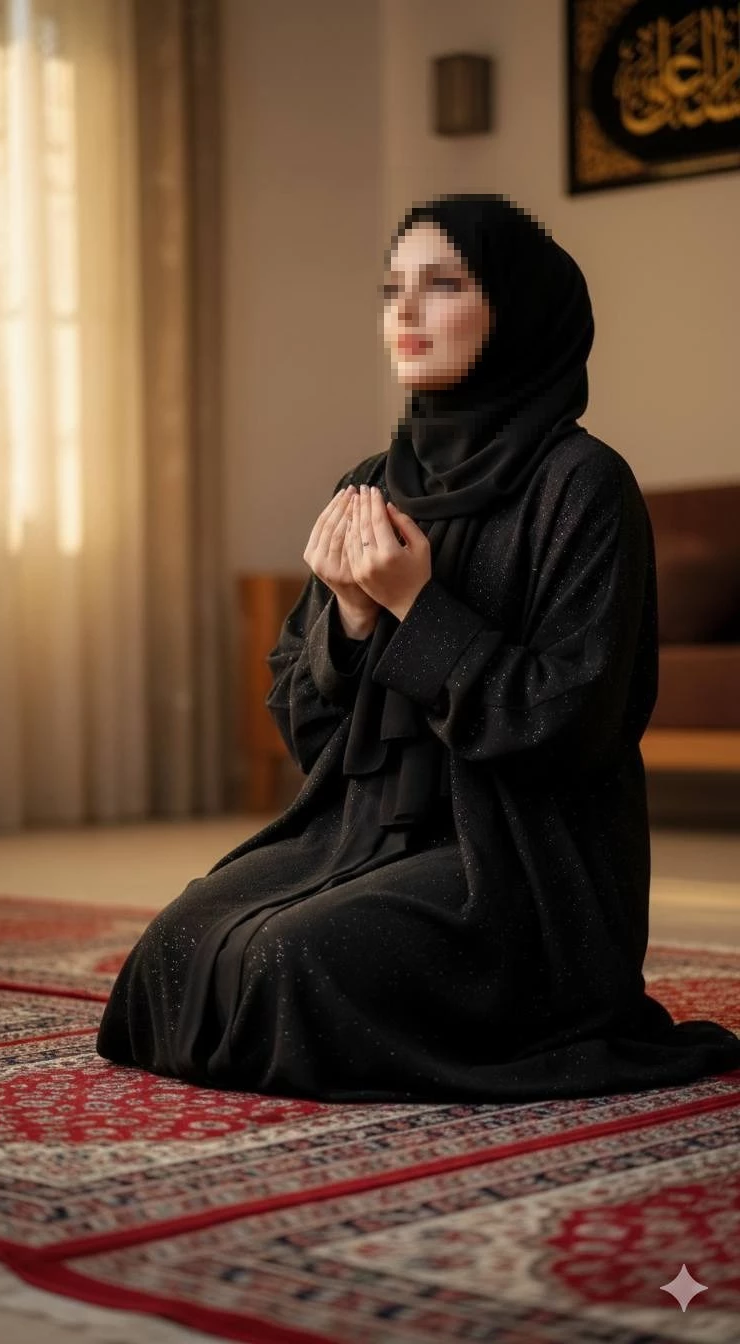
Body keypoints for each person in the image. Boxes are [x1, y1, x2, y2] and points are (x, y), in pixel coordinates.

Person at [95, 193, 740, 1102]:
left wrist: (415, 603)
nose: (404, 311)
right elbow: (313, 737)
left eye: (441, 286)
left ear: (511, 308)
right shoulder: (371, 483)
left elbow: (572, 724)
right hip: (365, 836)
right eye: (392, 288)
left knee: (288, 962)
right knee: (173, 948)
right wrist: (353, 622)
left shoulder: (584, 487)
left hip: (521, 866)